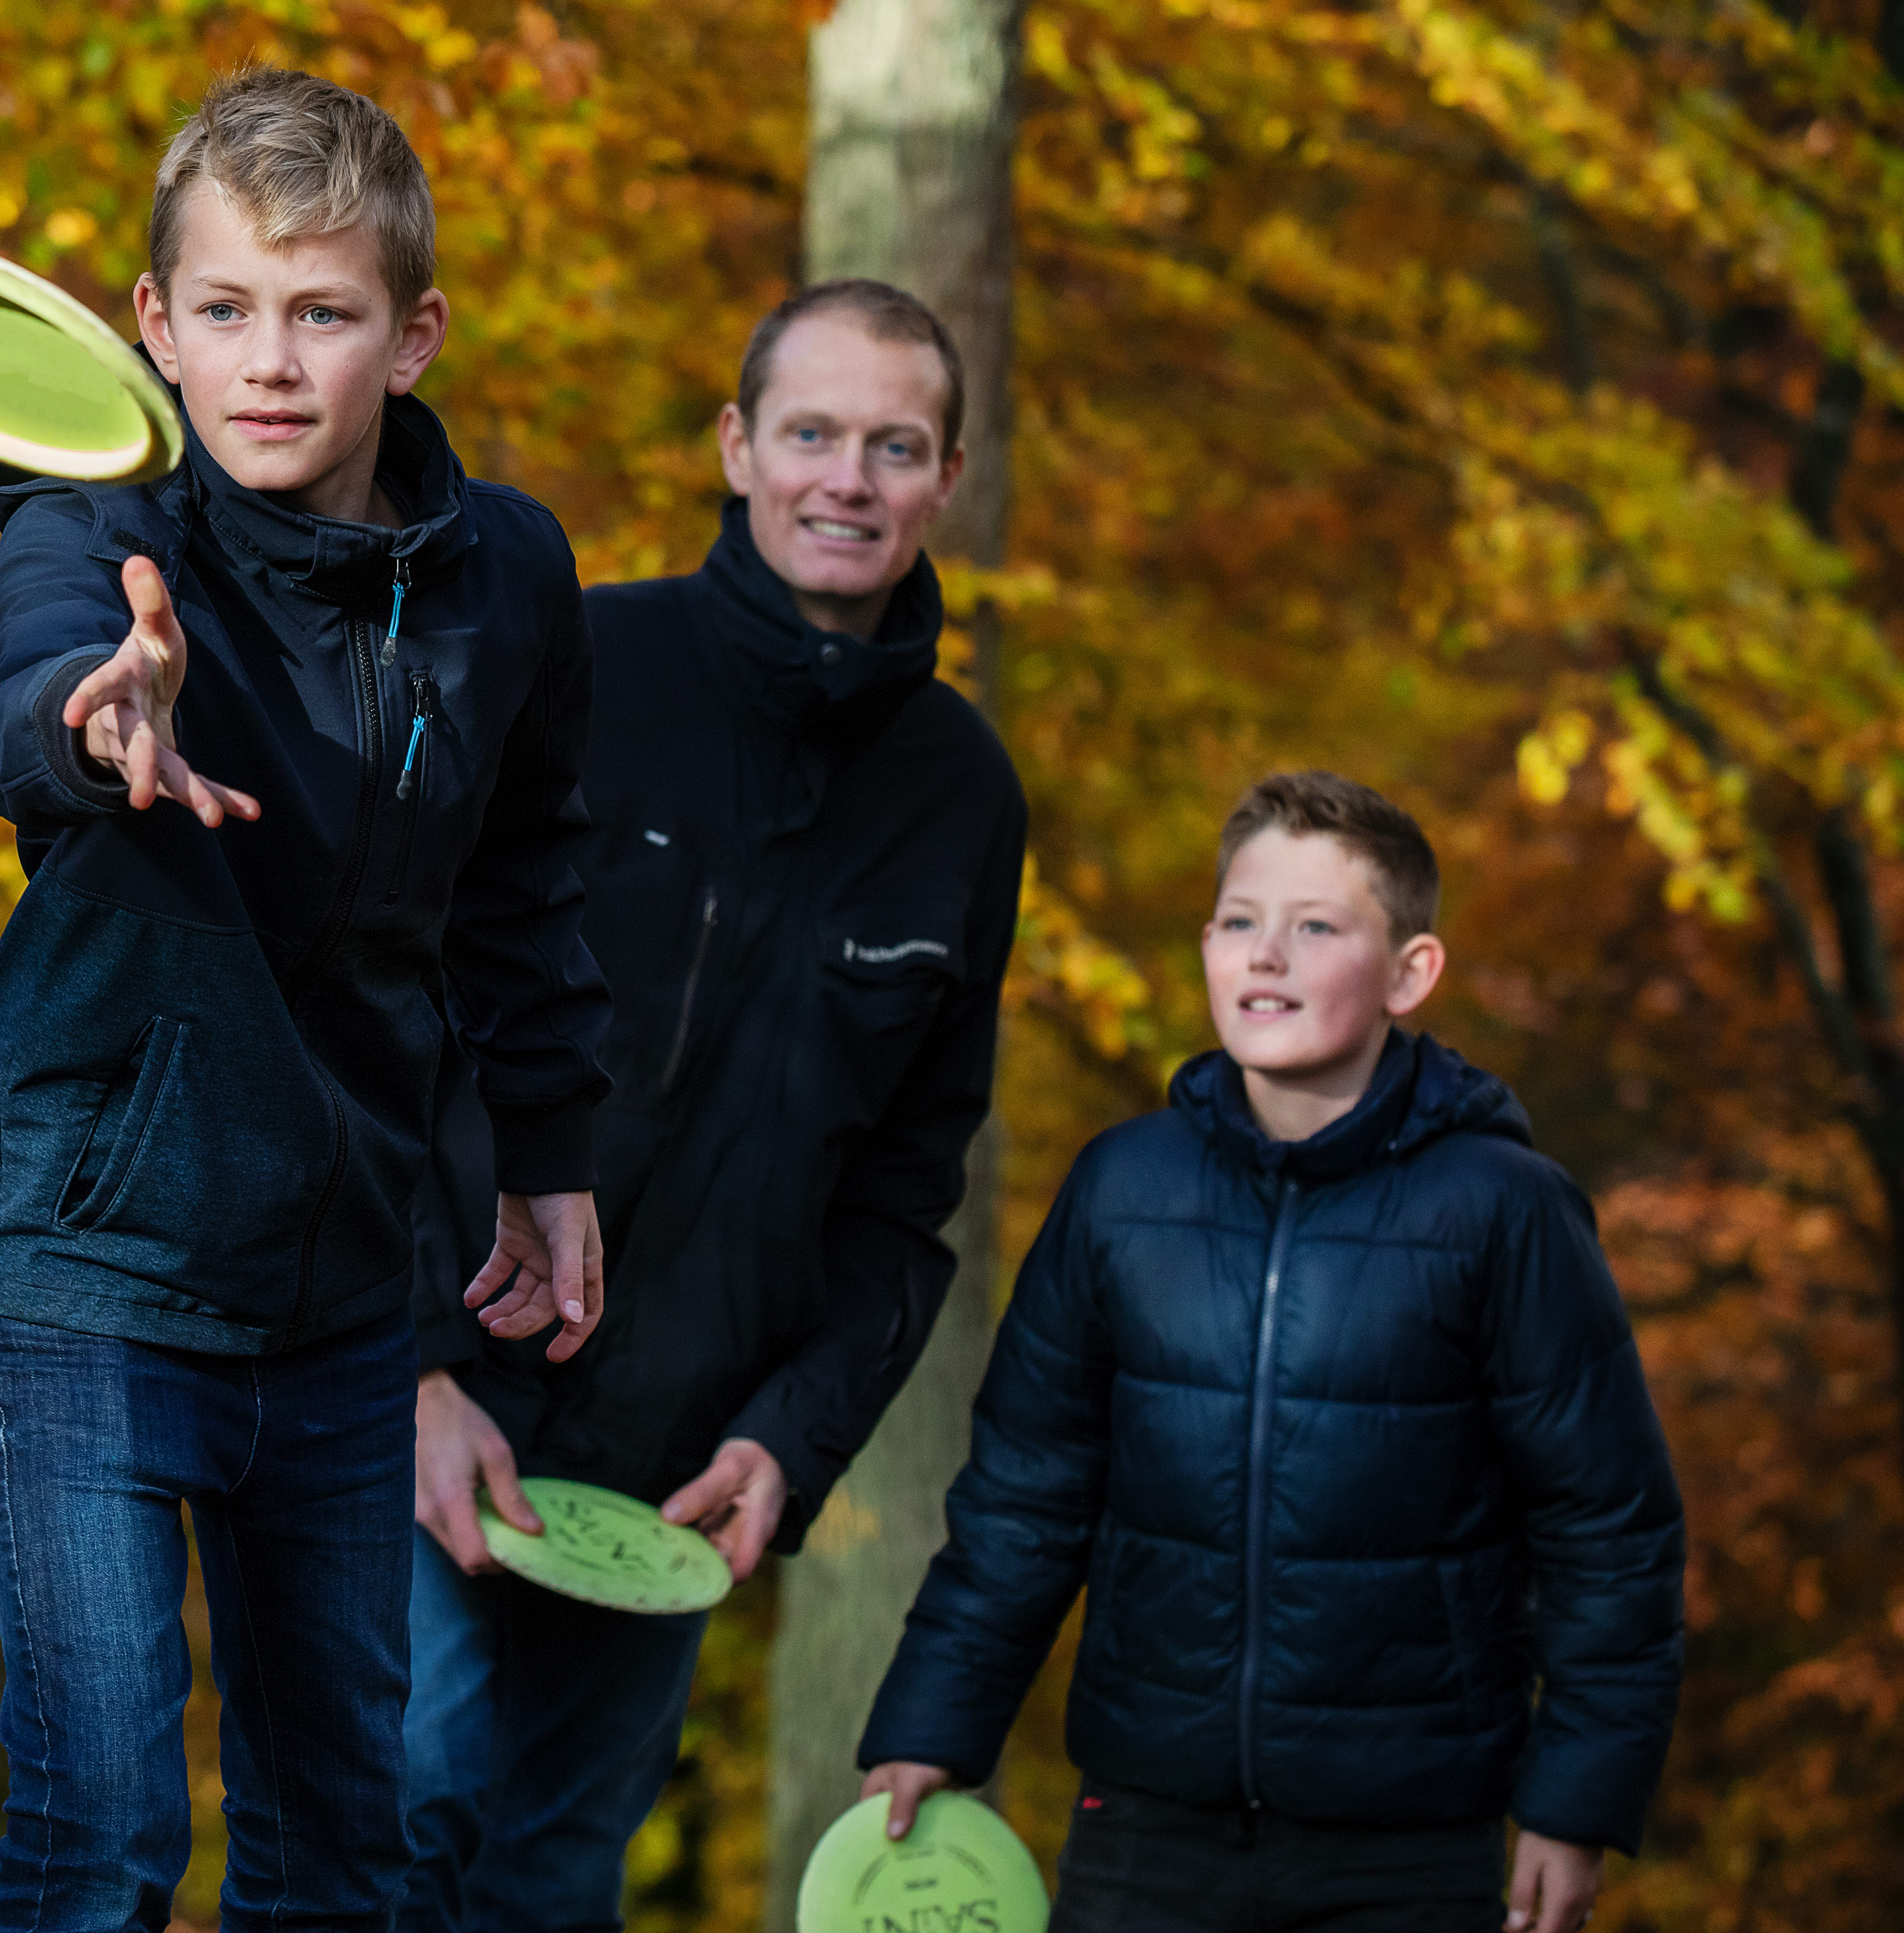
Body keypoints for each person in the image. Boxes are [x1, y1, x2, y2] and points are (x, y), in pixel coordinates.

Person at [0, 64, 616, 1933]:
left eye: (322, 315)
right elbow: (26, 703)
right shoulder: (103, 512)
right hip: (80, 1260)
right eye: (225, 311)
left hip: (338, 1295)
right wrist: (99, 718)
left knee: (340, 1851)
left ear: (412, 336)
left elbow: (528, 889)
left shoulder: (512, 580)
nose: (270, 362)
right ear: (154, 325)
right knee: (107, 1836)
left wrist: (551, 1160)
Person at [402, 280, 1028, 1933]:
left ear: (945, 477)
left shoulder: (965, 799)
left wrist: (789, 1442)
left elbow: (905, 1200)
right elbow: (375, 1009)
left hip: (662, 1491)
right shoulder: (581, 663)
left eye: (895, 447)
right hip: (433, 1402)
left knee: (553, 1880)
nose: (850, 478)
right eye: (812, 432)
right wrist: (403, 1365)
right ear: (738, 447)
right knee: (405, 1808)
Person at [858, 772, 1687, 1933]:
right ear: (1205, 946)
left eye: (1317, 927)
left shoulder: (1505, 1211)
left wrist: (1576, 1797)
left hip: (1407, 1837)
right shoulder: (1119, 1191)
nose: (1268, 956)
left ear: (1410, 972)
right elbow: (1023, 1497)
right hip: (1144, 1821)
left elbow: (1608, 1527)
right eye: (1242, 921)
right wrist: (930, 1724)